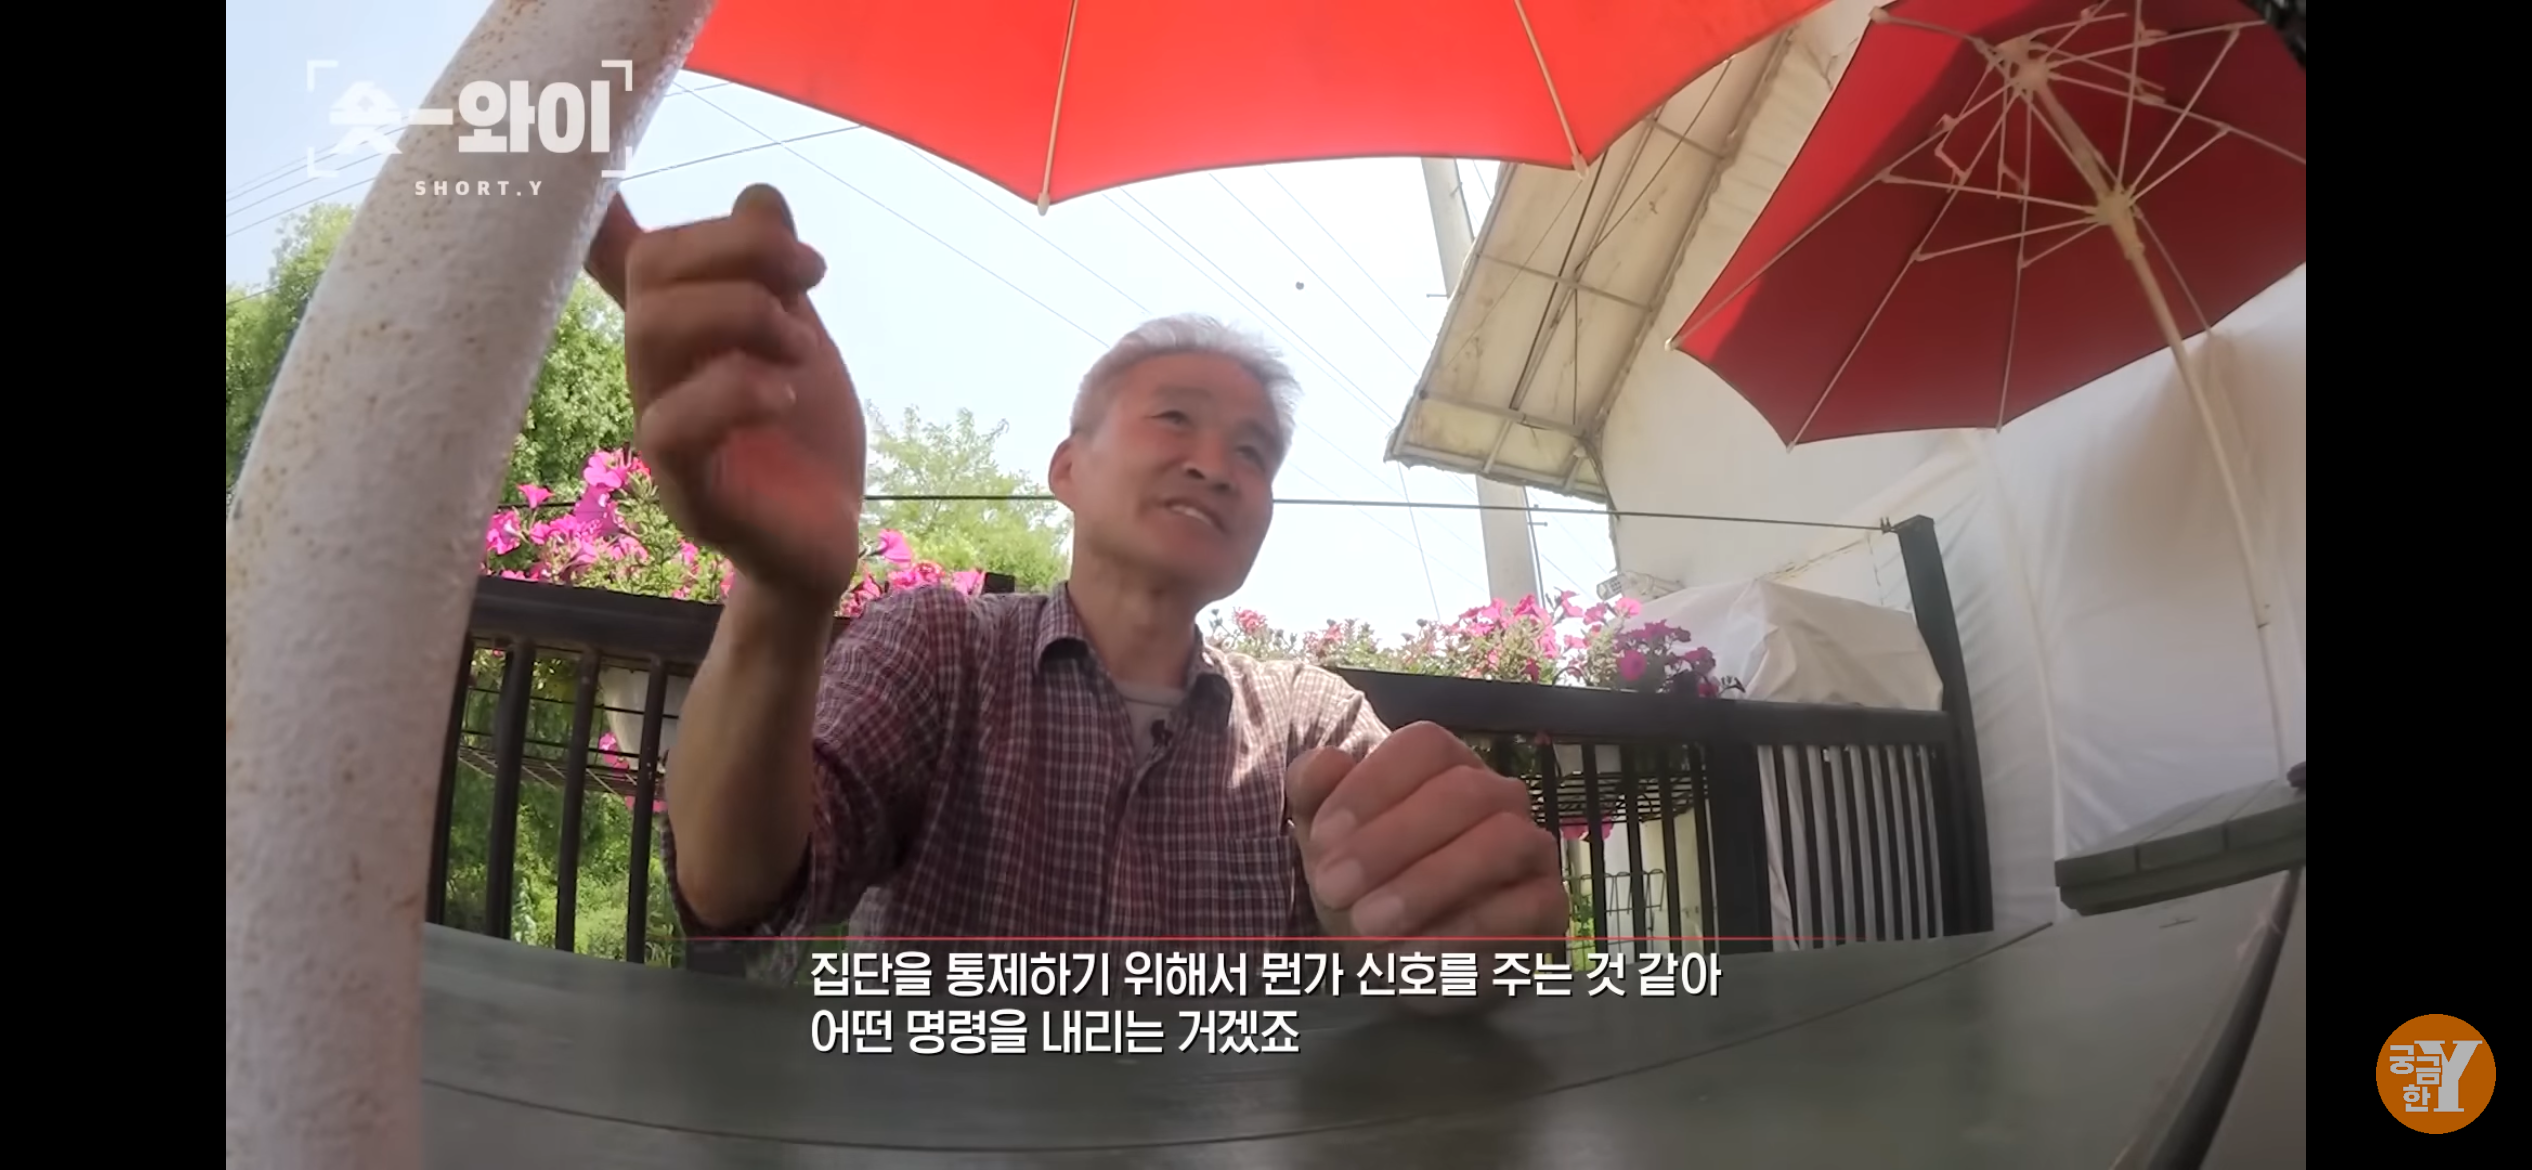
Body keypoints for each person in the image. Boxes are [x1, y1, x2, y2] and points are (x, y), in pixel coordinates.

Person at [585, 185, 1565, 984]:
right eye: (1174, 419)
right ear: (1066, 470)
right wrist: (780, 594)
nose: (1217, 466)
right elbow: (738, 888)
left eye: (1255, 451)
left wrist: (1442, 934)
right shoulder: (941, 648)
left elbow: (1448, 946)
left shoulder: (1311, 722)